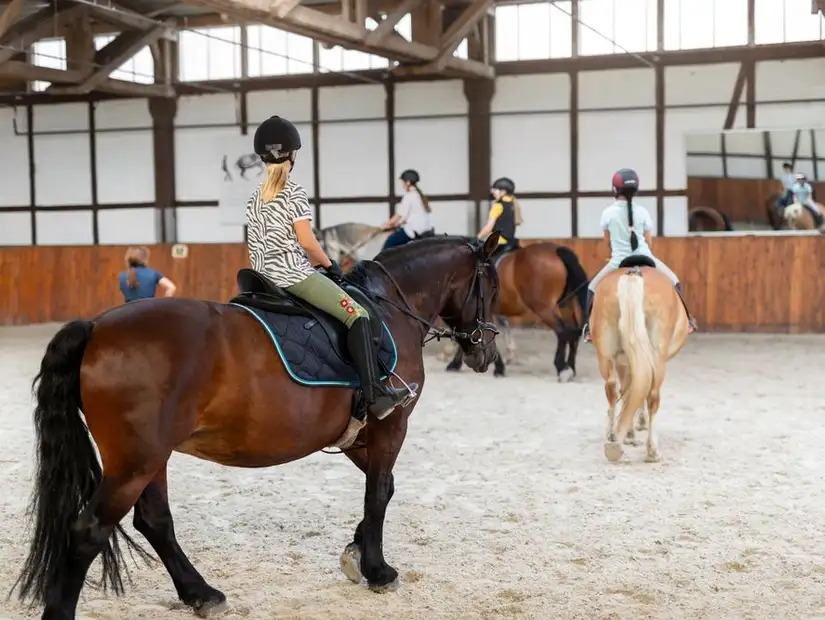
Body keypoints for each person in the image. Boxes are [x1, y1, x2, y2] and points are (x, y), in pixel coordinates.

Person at [246, 115, 415, 419]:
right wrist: (329, 265)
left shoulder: (255, 196)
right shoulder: (293, 192)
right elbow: (307, 242)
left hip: (260, 277)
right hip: (293, 276)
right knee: (358, 315)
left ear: (262, 157)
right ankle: (375, 395)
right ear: (292, 155)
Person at [581, 168, 696, 343]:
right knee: (674, 281)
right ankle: (687, 321)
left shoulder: (608, 213)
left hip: (619, 261)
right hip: (646, 258)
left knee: (591, 288)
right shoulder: (642, 211)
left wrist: (614, 255)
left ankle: (589, 327)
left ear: (615, 189)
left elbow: (608, 242)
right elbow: (649, 241)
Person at [380, 169, 434, 250]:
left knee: (389, 242)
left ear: (408, 182)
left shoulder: (409, 196)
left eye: (403, 182)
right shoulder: (419, 195)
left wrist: (385, 225)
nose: (402, 185)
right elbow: (406, 217)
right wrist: (396, 224)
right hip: (426, 229)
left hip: (414, 229)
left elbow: (399, 215)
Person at [477, 177, 523, 260]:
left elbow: (488, 228)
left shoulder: (498, 206)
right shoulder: (513, 204)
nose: (492, 192)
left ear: (503, 192)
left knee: (480, 263)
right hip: (511, 242)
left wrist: (478, 237)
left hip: (497, 242)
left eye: (495, 189)